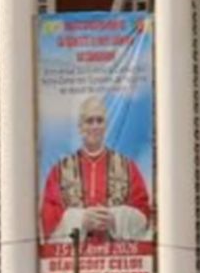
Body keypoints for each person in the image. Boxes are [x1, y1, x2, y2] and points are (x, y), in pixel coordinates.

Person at [39, 95, 152, 244]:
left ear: (106, 126)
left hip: (116, 255)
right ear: (80, 127)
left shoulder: (128, 168)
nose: (95, 126)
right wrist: (80, 220)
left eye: (99, 120)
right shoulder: (59, 172)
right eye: (89, 121)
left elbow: (144, 213)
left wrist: (115, 219)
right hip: (75, 257)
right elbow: (48, 216)